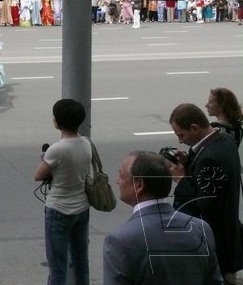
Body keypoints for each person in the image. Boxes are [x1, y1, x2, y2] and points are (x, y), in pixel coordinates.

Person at [103, 151, 222, 285]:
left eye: (121, 175)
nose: (117, 181)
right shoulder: (201, 228)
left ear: (139, 185)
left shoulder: (120, 240)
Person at [169, 103, 243, 283]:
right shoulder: (223, 140)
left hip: (215, 245)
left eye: (181, 134)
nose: (180, 141)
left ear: (194, 128)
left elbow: (206, 203)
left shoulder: (210, 156)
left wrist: (181, 180)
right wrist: (189, 162)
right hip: (227, 238)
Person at [33, 98, 92, 285]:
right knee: (81, 261)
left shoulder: (56, 150)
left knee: (57, 266)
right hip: (82, 208)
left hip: (59, 210)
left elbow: (38, 175)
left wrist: (44, 158)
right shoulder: (86, 143)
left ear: (57, 121)